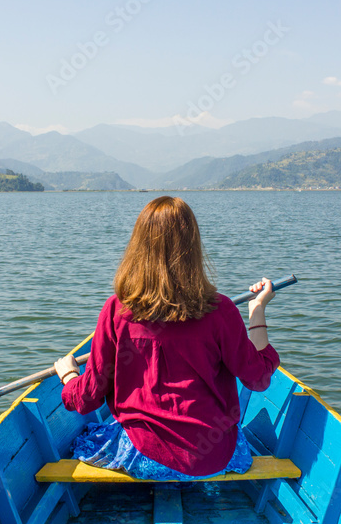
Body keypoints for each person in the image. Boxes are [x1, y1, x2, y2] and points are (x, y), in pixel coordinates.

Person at [53, 196, 280, 479]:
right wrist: (257, 311)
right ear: (193, 247)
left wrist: (69, 377)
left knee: (87, 438)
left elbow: (88, 397)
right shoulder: (221, 311)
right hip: (213, 458)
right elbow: (258, 378)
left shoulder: (116, 311)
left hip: (143, 457)